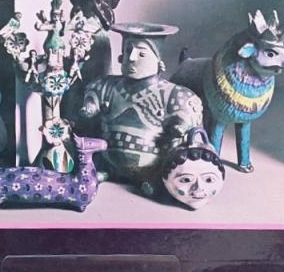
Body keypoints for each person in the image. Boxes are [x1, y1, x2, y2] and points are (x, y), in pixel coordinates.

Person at [81, 22, 203, 184]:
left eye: (142, 54)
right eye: (128, 51)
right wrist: (91, 104)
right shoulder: (107, 85)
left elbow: (187, 114)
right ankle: (108, 171)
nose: (131, 58)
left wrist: (180, 125)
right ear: (121, 56)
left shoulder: (173, 94)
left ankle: (152, 179)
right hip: (108, 162)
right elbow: (94, 93)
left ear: (158, 61)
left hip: (154, 169)